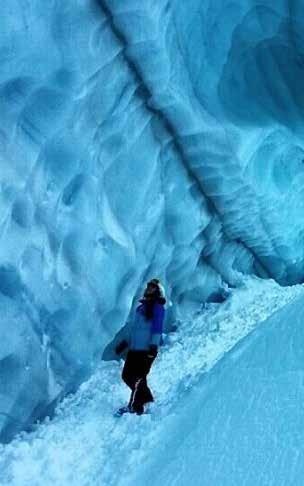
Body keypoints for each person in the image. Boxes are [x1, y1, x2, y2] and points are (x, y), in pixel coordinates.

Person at [115, 278, 166, 415]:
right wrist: (126, 343)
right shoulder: (140, 308)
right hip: (134, 349)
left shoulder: (158, 308)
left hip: (146, 349)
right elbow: (135, 329)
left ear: (158, 291)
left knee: (137, 377)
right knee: (127, 375)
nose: (149, 289)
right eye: (148, 286)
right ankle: (146, 398)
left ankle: (136, 407)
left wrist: (153, 347)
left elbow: (157, 328)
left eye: (153, 287)